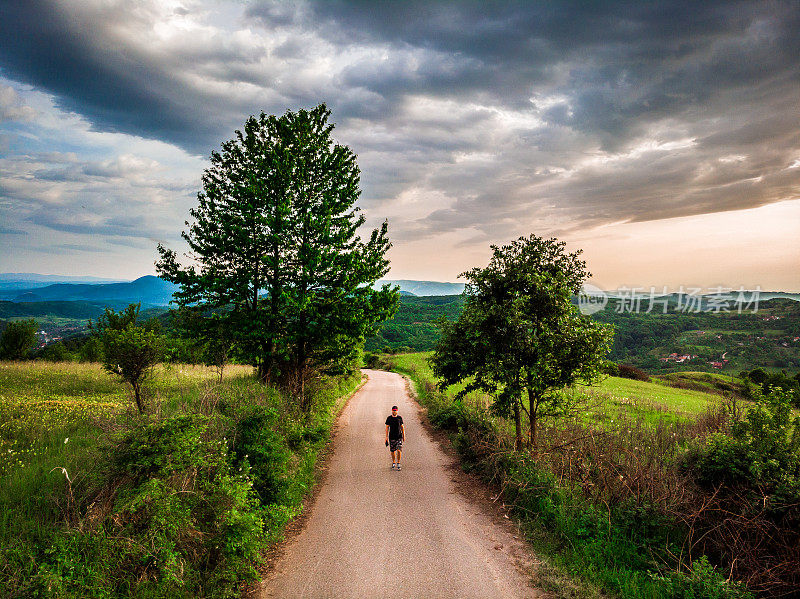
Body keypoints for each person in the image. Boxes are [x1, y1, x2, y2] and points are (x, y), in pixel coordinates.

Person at [385, 405, 405, 470]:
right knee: (393, 451)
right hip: (392, 437)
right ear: (392, 411)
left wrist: (404, 436)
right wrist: (386, 437)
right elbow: (387, 427)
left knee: (399, 450)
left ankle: (398, 463)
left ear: (397, 411)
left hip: (399, 436)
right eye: (393, 410)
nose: (394, 412)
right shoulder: (389, 418)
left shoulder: (399, 418)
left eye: (395, 411)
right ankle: (394, 462)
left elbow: (402, 427)